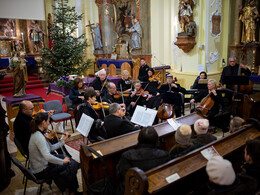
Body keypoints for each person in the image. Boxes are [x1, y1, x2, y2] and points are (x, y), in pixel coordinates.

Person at [28, 112, 81, 194]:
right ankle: (72, 191)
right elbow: (48, 157)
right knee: (71, 165)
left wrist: (63, 140)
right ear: (43, 122)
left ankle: (68, 186)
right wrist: (62, 161)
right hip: (41, 170)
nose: (49, 123)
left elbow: (51, 148)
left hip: (43, 163)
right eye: (48, 121)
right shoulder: (38, 137)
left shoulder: (39, 133)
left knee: (68, 159)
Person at [116, 126, 170, 194]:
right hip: (158, 188)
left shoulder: (127, 156)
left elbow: (121, 174)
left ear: (139, 139)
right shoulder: (165, 155)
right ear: (156, 140)